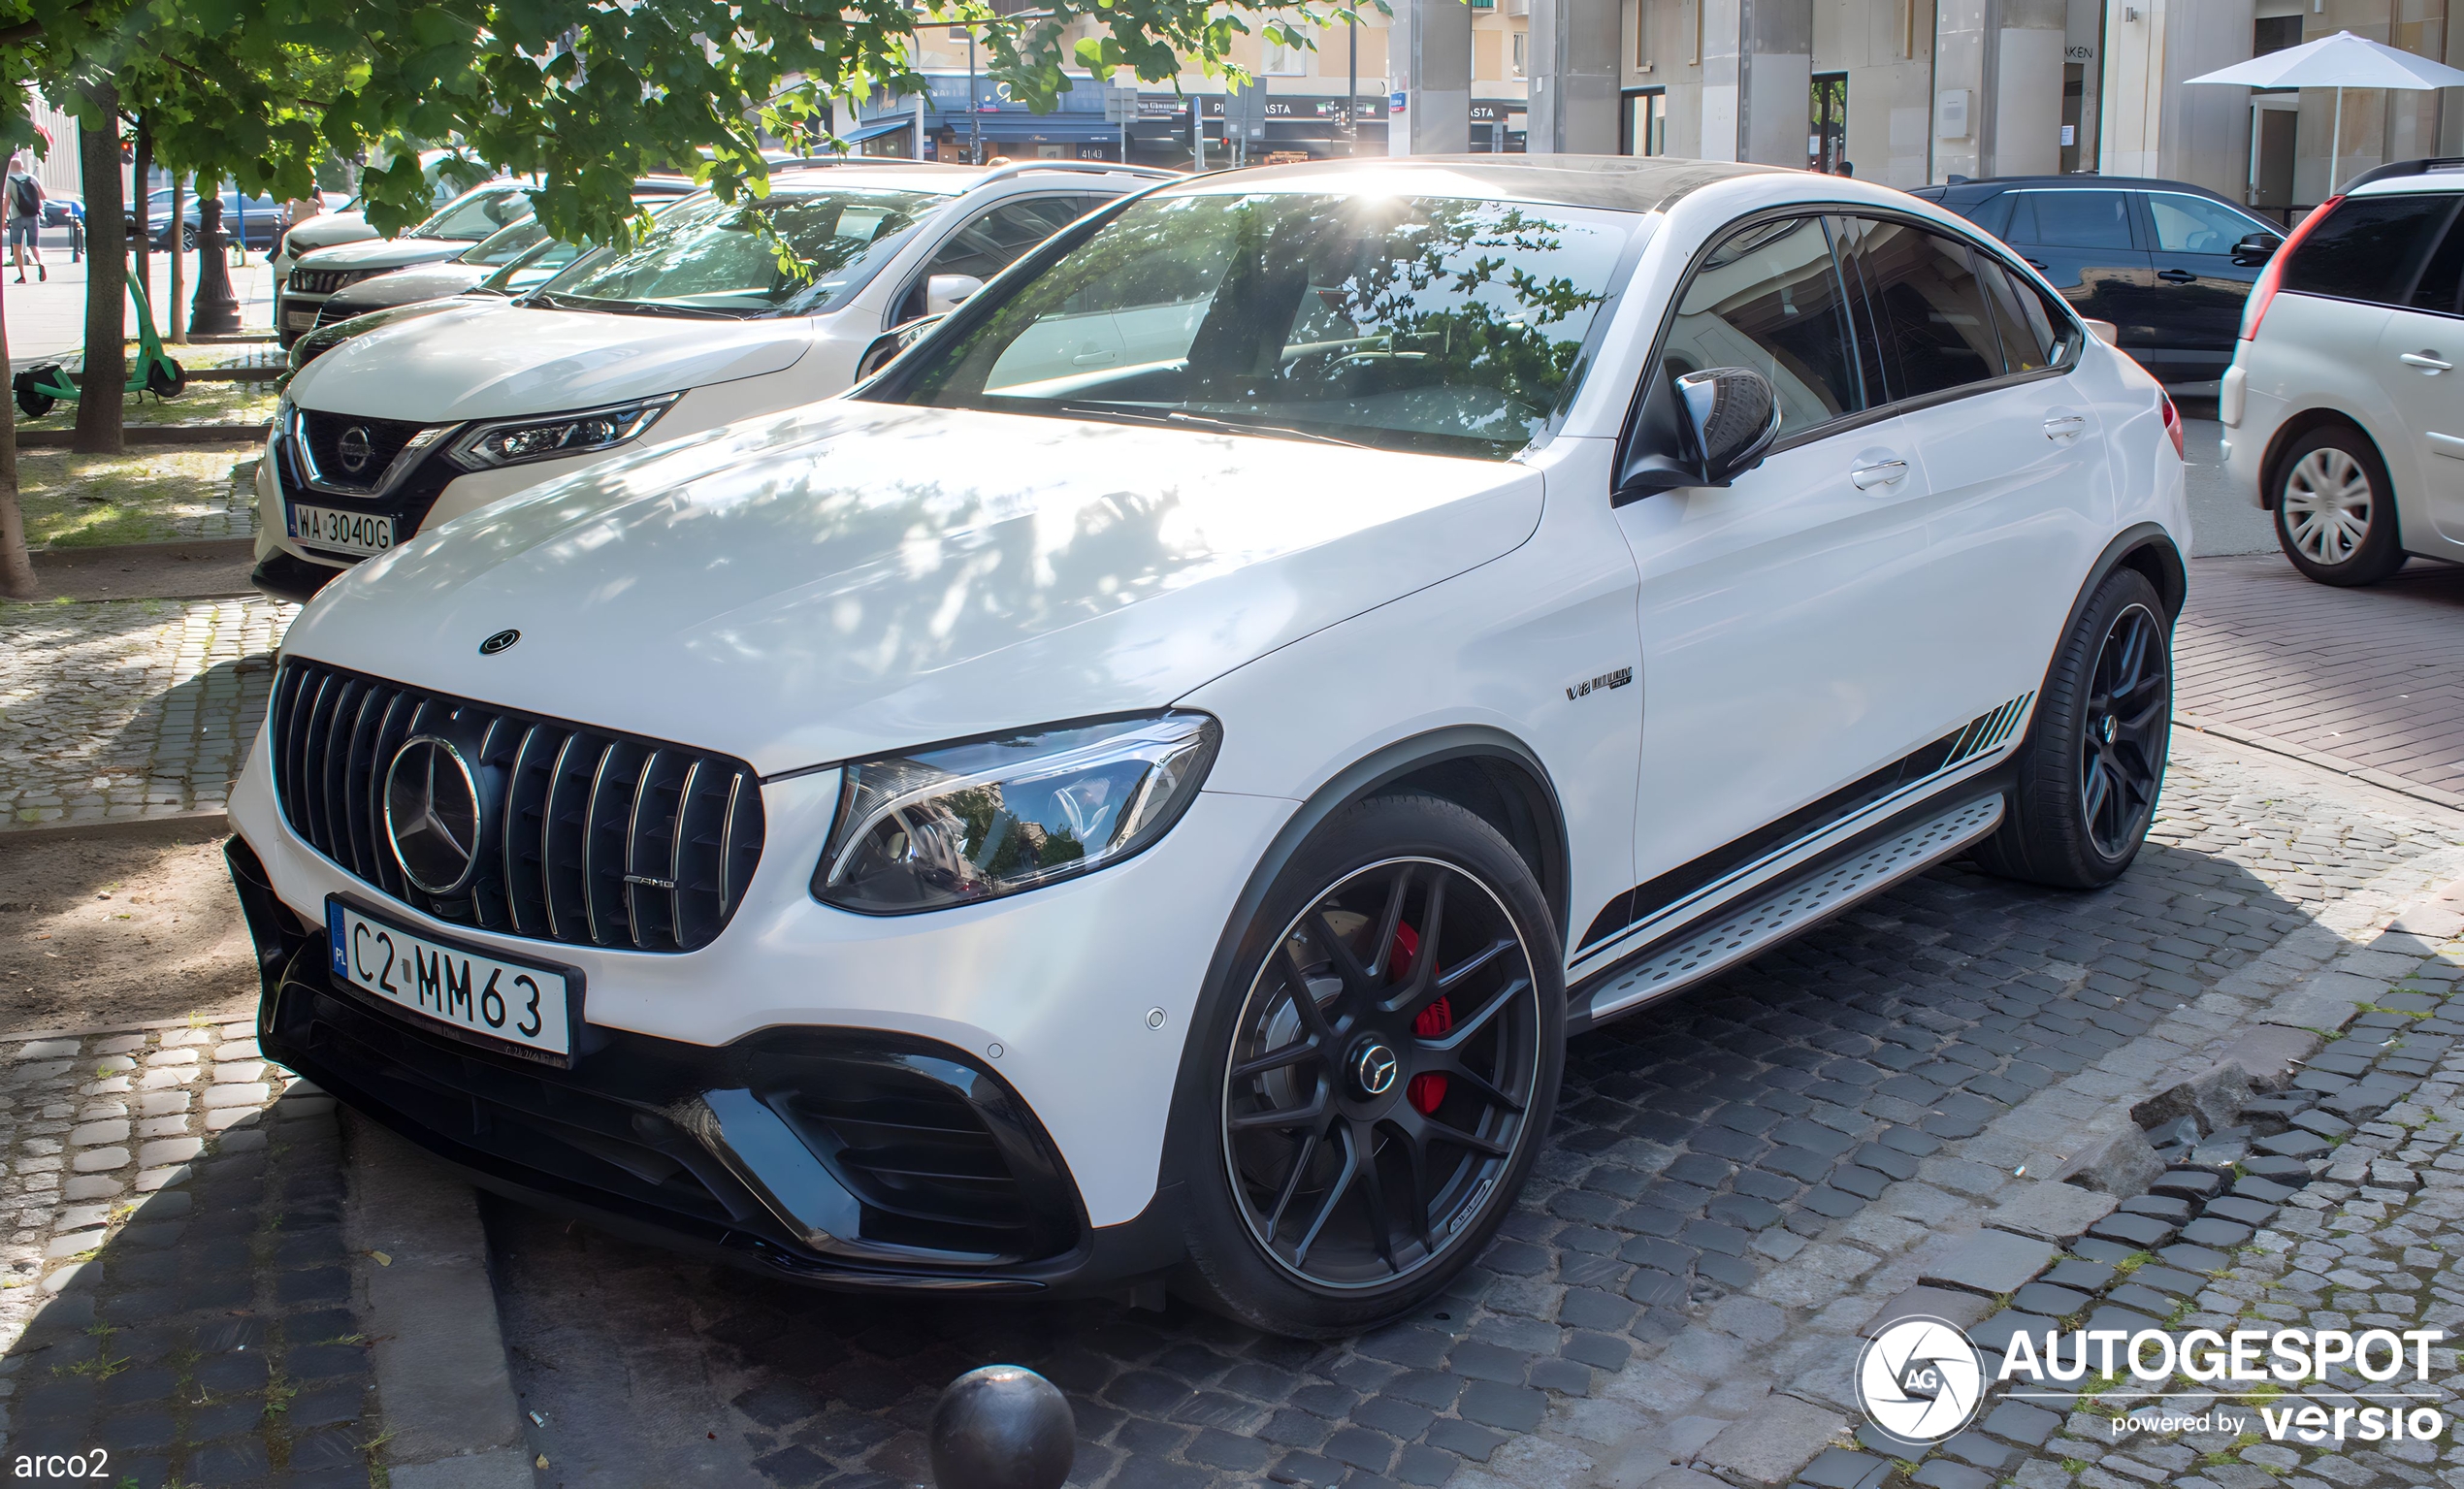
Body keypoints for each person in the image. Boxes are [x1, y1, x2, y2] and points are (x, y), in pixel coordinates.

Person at [7, 152, 47, 282]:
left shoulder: (9, 181)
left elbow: (6, 202)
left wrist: (2, 221)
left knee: (17, 246)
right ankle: (41, 264)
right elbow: (43, 196)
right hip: (33, 215)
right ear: (22, 167)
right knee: (33, 245)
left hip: (16, 216)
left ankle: (22, 276)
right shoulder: (32, 178)